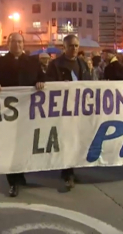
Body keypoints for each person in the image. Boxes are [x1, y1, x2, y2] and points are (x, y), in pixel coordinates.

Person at [0, 32, 45, 197]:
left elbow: (41, 78)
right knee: (10, 146)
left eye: (20, 42)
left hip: (27, 112)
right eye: (14, 42)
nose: (17, 45)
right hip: (7, 112)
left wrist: (41, 83)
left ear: (23, 44)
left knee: (24, 144)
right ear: (8, 44)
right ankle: (13, 181)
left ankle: (21, 173)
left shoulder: (33, 62)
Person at [46, 34, 91, 191]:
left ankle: (71, 168)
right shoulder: (55, 64)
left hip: (80, 108)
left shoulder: (83, 64)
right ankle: (67, 173)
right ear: (64, 47)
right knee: (66, 139)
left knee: (77, 140)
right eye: (71, 46)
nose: (74, 49)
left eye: (77, 46)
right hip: (63, 109)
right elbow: (48, 84)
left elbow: (90, 83)